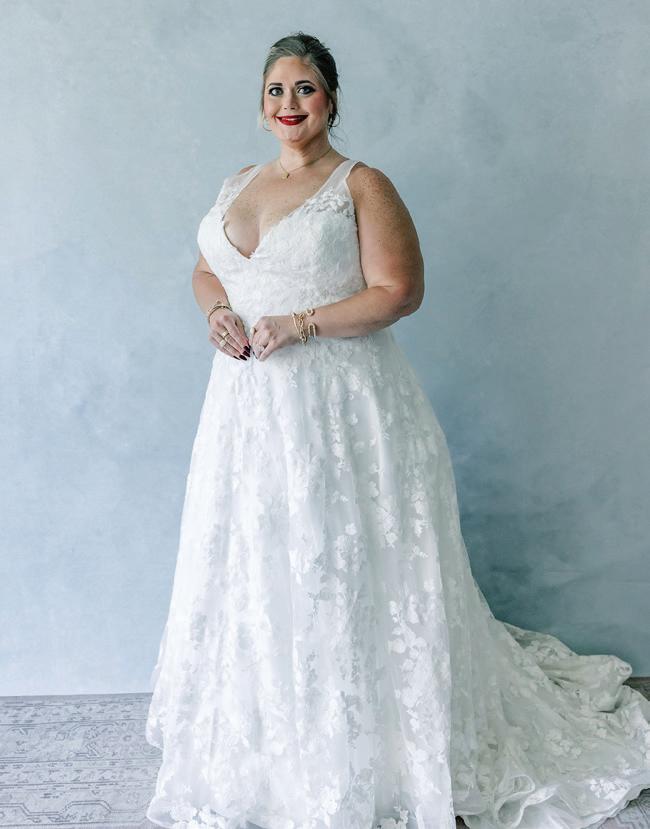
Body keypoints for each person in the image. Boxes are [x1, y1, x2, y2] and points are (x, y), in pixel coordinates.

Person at [145, 30, 650, 829]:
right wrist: (216, 313)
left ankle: (369, 749)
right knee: (260, 556)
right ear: (261, 105)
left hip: (341, 409)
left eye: (305, 88)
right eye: (276, 90)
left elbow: (399, 291)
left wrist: (302, 323)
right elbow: (211, 269)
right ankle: (273, 738)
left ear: (331, 99)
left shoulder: (361, 184)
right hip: (246, 412)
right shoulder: (236, 183)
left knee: (341, 558)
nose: (289, 104)